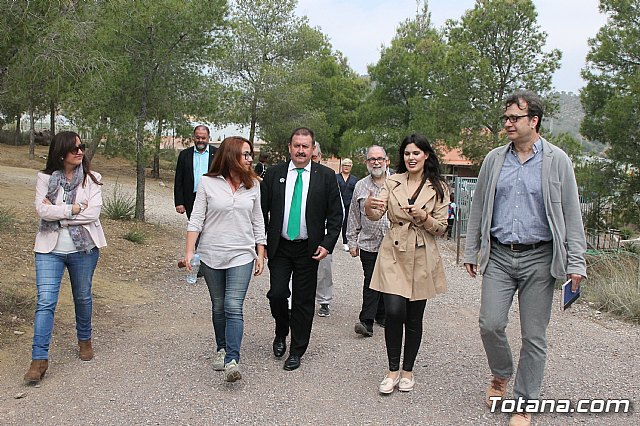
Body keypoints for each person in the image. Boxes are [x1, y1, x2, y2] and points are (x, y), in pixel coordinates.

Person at [463, 90, 587, 426]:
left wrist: (576, 262)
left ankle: (524, 403)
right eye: (506, 118)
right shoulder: (494, 160)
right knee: (490, 323)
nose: (507, 123)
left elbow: (572, 214)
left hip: (539, 260)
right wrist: (470, 248)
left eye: (514, 118)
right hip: (500, 256)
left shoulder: (557, 160)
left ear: (534, 120)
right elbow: (479, 208)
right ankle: (501, 373)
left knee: (534, 335)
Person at [364, 134, 448, 394]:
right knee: (394, 310)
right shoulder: (392, 181)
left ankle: (408, 370)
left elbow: (442, 228)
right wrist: (369, 206)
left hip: (422, 253)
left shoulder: (439, 187)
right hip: (393, 251)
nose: (411, 158)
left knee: (414, 317)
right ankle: (391, 371)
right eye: (407, 153)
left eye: (416, 153)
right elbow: (376, 213)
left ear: (426, 156)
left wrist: (424, 217)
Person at [24, 131, 106, 385]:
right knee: (46, 302)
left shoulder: (92, 179)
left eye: (82, 147)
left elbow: (93, 214)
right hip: (49, 250)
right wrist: (72, 209)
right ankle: (39, 360)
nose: (80, 152)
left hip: (84, 250)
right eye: (74, 148)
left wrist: (57, 214)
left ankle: (85, 340)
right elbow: (41, 209)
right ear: (60, 153)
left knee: (82, 297)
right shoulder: (45, 178)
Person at [183, 136, 266, 383]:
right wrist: (189, 251)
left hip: (242, 253)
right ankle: (221, 348)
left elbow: (258, 220)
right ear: (231, 156)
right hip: (211, 253)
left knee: (233, 305)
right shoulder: (208, 183)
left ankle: (232, 359)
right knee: (218, 305)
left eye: (251, 154)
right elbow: (196, 219)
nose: (250, 159)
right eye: (246, 154)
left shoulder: (254, 185)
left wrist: (260, 253)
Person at [260, 127, 343, 371]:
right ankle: (280, 331)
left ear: (312, 149)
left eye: (305, 146)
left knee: (303, 302)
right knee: (277, 294)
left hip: (309, 249)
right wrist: (261, 243)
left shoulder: (325, 176)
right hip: (280, 247)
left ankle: (296, 350)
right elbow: (260, 212)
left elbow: (336, 215)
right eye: (296, 145)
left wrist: (328, 244)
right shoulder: (274, 174)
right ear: (289, 147)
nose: (300, 150)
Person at [347, 145, 389, 337]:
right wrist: (352, 241)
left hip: (393, 244)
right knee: (372, 280)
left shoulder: (397, 183)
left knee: (387, 280)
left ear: (386, 161)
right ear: (366, 163)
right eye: (372, 159)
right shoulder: (360, 186)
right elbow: (354, 215)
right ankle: (366, 322)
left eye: (379, 158)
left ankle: (382, 315)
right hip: (369, 243)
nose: (376, 162)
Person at [174, 125, 218, 219]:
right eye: (198, 138)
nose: (200, 140)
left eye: (203, 138)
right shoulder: (184, 155)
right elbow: (179, 179)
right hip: (191, 198)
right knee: (195, 227)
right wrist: (179, 202)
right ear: (193, 137)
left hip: (212, 198)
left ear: (208, 138)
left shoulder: (218, 154)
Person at [311, 142, 335, 318]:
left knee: (324, 270)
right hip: (298, 232)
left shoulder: (328, 177)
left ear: (319, 156)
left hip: (322, 232)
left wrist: (330, 239)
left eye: (314, 156)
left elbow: (336, 210)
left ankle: (324, 301)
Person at [336, 158, 358, 251]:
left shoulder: (354, 179)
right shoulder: (335, 177)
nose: (346, 167)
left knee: (346, 224)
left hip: (349, 205)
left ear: (351, 167)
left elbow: (356, 193)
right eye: (345, 165)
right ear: (342, 166)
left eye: (348, 166)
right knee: (335, 223)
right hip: (337, 204)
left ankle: (345, 242)